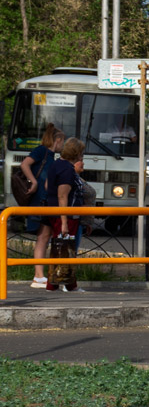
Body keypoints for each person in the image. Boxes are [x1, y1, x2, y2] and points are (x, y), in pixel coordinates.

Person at [41, 138, 86, 292]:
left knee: (59, 248)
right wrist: (64, 222)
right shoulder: (67, 170)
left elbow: (47, 185)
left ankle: (55, 283)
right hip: (66, 215)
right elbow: (63, 196)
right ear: (76, 153)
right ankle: (68, 284)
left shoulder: (57, 164)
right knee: (66, 249)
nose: (82, 156)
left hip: (56, 213)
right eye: (81, 152)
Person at [22, 124, 61, 288]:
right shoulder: (42, 151)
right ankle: (38, 275)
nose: (63, 146)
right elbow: (25, 164)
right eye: (62, 141)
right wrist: (34, 181)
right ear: (57, 140)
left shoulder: (50, 155)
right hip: (40, 199)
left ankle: (40, 275)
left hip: (45, 200)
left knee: (45, 236)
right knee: (43, 236)